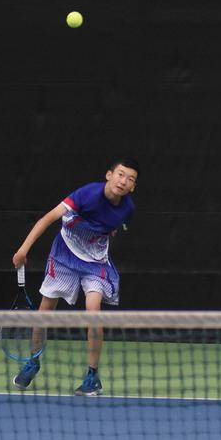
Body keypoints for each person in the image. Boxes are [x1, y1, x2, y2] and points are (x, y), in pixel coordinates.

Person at [11, 158, 139, 396]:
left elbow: (120, 227)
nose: (124, 181)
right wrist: (23, 250)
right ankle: (33, 362)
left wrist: (109, 231)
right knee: (43, 314)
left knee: (93, 312)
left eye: (130, 179)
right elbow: (47, 219)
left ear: (132, 187)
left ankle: (92, 376)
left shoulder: (127, 209)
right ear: (108, 175)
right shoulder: (87, 195)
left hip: (95, 262)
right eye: (120, 174)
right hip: (64, 256)